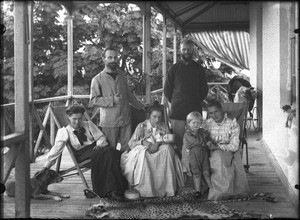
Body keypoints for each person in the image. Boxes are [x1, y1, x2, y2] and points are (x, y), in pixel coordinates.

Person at [43, 105, 128, 199]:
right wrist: (46, 167)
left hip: (97, 148)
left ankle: (113, 190)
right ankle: (115, 190)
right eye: (74, 119)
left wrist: (99, 145)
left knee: (111, 153)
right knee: (109, 154)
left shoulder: (88, 125)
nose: (77, 122)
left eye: (79, 118)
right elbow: (56, 150)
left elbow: (100, 137)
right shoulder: (64, 131)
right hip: (83, 155)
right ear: (68, 117)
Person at [120, 101, 184, 198]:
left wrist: (158, 143)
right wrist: (142, 142)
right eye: (154, 116)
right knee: (144, 154)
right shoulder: (141, 126)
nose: (157, 119)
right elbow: (131, 143)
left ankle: (166, 188)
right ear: (149, 116)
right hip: (145, 149)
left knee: (167, 149)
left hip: (160, 148)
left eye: (159, 117)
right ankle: (146, 191)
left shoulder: (163, 126)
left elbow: (169, 140)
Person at [89, 46, 145, 152]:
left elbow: (128, 94)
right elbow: (93, 100)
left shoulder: (122, 75)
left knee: (127, 149)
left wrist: (141, 106)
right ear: (103, 59)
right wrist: (112, 100)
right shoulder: (97, 79)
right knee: (109, 150)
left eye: (115, 57)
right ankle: (112, 169)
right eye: (110, 57)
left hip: (126, 118)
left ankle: (124, 169)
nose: (113, 60)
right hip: (109, 121)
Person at [163, 38, 208, 159]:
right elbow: (167, 90)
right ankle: (179, 169)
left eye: (189, 49)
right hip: (177, 112)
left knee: (195, 140)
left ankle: (193, 168)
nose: (186, 51)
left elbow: (204, 90)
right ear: (180, 50)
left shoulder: (199, 69)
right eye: (184, 49)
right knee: (177, 141)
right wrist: (177, 102)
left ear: (193, 50)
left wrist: (194, 100)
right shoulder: (174, 68)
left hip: (194, 111)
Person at [204, 99, 250, 201]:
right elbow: (201, 138)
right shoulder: (207, 124)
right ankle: (204, 188)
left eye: (216, 111)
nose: (214, 115)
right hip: (210, 151)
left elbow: (234, 146)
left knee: (218, 158)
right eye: (210, 113)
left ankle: (220, 192)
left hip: (227, 151)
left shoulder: (232, 124)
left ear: (221, 110)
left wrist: (218, 147)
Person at [182, 111, 215, 199]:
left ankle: (211, 188)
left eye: (198, 123)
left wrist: (209, 141)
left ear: (201, 123)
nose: (196, 125)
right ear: (189, 123)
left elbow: (209, 137)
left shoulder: (202, 132)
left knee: (206, 172)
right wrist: (205, 142)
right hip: (194, 156)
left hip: (204, 155)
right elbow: (195, 142)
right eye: (193, 123)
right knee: (196, 173)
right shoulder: (187, 134)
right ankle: (198, 191)